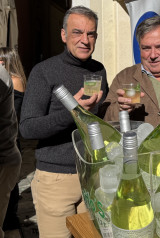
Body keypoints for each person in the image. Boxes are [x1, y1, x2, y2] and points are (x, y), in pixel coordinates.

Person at [19, 6, 108, 237]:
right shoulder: (44, 71)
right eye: (77, 32)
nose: (85, 40)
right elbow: (27, 127)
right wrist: (73, 111)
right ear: (63, 35)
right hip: (56, 179)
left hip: (91, 176)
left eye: (91, 34)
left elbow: (95, 120)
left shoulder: (98, 70)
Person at [0, 47, 26, 237]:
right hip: (12, 145)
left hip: (9, 147)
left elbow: (14, 114)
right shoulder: (11, 78)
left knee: (9, 212)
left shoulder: (9, 79)